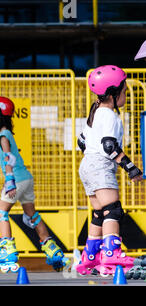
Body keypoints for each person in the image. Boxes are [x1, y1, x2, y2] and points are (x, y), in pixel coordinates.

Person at [0, 96, 69, 272]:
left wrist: (9, 181)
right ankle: (52, 250)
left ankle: (7, 250)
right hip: (26, 178)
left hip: (17, 179)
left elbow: (9, 157)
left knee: (0, 213)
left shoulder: (2, 136)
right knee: (32, 216)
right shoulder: (7, 133)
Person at [76, 65, 142, 275]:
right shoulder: (110, 116)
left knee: (99, 213)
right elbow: (109, 146)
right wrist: (130, 167)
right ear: (113, 93)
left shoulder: (95, 112)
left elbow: (82, 142)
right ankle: (111, 254)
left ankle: (91, 257)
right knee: (113, 210)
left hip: (86, 165)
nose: (125, 95)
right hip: (100, 164)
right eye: (123, 91)